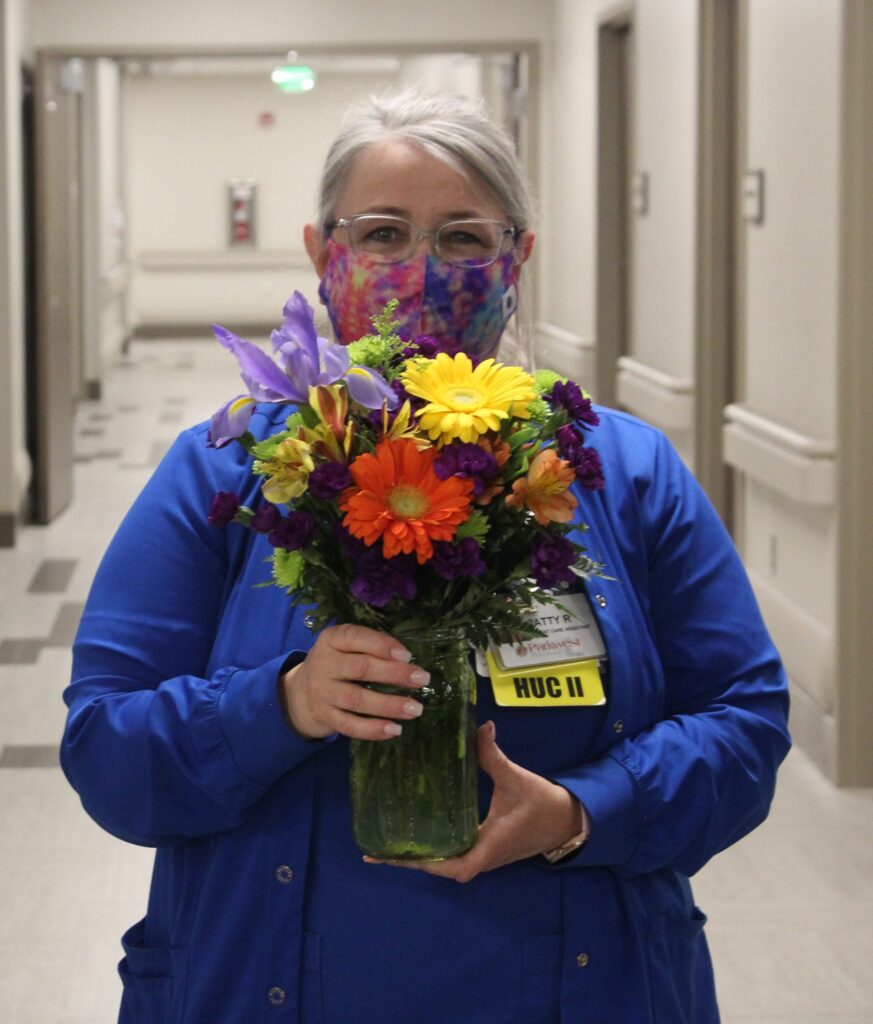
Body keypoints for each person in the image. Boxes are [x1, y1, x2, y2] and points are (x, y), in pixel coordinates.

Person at [61, 89, 791, 1024]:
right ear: (323, 255)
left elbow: (745, 723)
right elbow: (107, 750)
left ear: (517, 257)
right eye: (381, 234)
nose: (419, 273)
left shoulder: (620, 473)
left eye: (460, 239)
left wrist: (585, 813)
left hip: (581, 984)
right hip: (271, 982)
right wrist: (279, 704)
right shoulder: (233, 471)